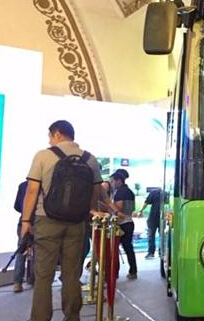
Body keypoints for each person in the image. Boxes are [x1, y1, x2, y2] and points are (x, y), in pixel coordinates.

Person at [20, 120, 103, 321]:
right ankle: (72, 316)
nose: (49, 140)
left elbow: (32, 190)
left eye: (50, 136)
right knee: (71, 274)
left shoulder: (43, 155)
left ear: (57, 134)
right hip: (76, 223)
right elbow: (96, 191)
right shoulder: (90, 159)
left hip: (46, 220)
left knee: (44, 275)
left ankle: (40, 318)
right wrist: (87, 210)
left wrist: (25, 221)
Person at [111, 169, 138, 279]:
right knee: (128, 248)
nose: (112, 184)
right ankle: (133, 271)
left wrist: (108, 205)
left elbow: (118, 208)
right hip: (129, 222)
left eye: (112, 181)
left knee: (114, 249)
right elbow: (132, 208)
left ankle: (114, 272)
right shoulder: (130, 191)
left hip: (122, 223)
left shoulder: (120, 192)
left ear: (119, 181)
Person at [135, 188, 162, 259]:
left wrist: (140, 211)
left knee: (151, 235)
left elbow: (146, 203)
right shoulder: (164, 193)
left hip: (153, 217)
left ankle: (151, 252)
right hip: (162, 216)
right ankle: (161, 252)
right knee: (162, 235)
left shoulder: (153, 192)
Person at [13, 180, 29, 293]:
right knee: (40, 251)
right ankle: (37, 280)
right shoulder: (43, 185)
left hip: (23, 220)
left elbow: (17, 206)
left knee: (21, 251)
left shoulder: (22, 185)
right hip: (38, 221)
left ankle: (17, 283)